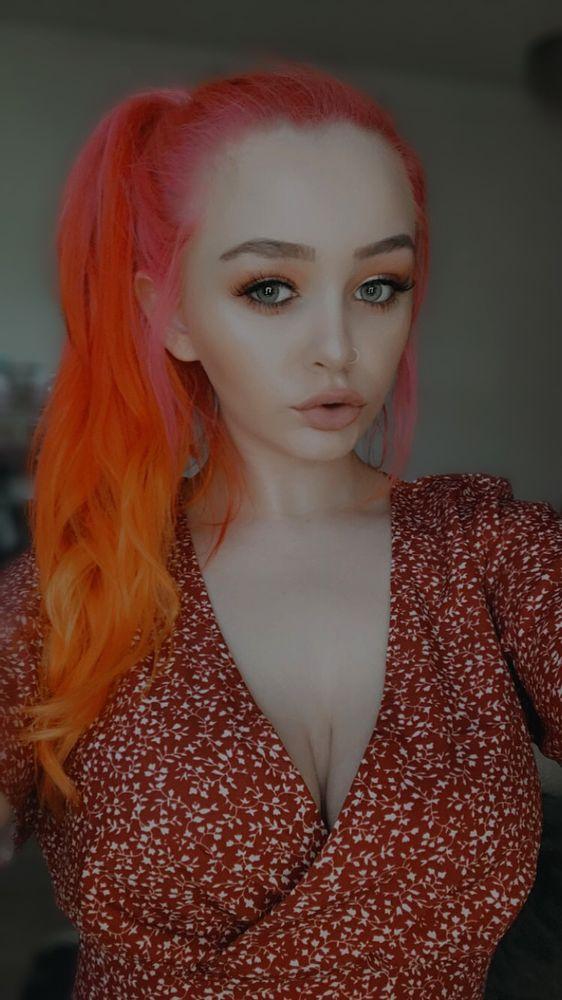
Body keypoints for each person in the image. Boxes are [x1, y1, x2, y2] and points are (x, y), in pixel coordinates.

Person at [0, 59, 560, 999]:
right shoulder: (67, 596)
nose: (338, 349)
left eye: (379, 286)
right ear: (170, 315)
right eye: (270, 288)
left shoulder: (498, 557)